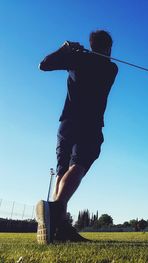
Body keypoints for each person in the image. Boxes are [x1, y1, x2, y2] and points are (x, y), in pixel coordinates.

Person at [35, 30, 118, 244]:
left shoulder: (79, 58)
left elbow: (44, 64)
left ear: (91, 45)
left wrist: (65, 48)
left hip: (67, 123)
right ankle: (56, 212)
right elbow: (44, 66)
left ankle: (57, 228)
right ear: (108, 48)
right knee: (78, 165)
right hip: (89, 124)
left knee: (62, 170)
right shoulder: (111, 67)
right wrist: (76, 54)